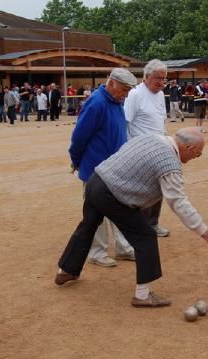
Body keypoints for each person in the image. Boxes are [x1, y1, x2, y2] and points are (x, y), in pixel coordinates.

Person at [55, 128, 208, 307]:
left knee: (87, 226)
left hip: (96, 180)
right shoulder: (169, 164)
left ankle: (66, 270)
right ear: (189, 148)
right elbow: (178, 203)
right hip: (113, 194)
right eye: (197, 155)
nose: (195, 159)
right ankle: (142, 296)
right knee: (146, 236)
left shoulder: (150, 137)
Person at [69, 68, 137, 267]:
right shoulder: (97, 102)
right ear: (112, 83)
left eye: (128, 91)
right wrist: (76, 160)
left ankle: (123, 248)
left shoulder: (116, 102)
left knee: (119, 208)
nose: (125, 95)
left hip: (114, 168)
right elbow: (79, 135)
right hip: (95, 169)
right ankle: (97, 252)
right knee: (95, 212)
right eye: (124, 90)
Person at [124, 59, 170, 238]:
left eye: (164, 78)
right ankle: (140, 227)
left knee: (158, 189)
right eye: (158, 78)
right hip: (139, 150)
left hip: (158, 148)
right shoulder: (135, 95)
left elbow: (161, 121)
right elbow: (125, 122)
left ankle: (153, 223)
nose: (161, 82)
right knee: (141, 192)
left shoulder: (159, 94)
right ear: (147, 76)